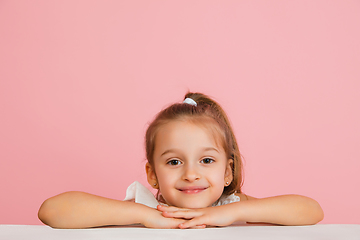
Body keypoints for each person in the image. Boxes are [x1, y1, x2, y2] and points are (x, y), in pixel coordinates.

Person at [38, 92, 324, 229]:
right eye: (174, 162)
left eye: (207, 161)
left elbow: (311, 211)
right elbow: (53, 211)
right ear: (152, 174)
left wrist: (226, 214)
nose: (190, 174)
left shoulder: (234, 208)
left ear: (228, 172)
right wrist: (146, 217)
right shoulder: (148, 209)